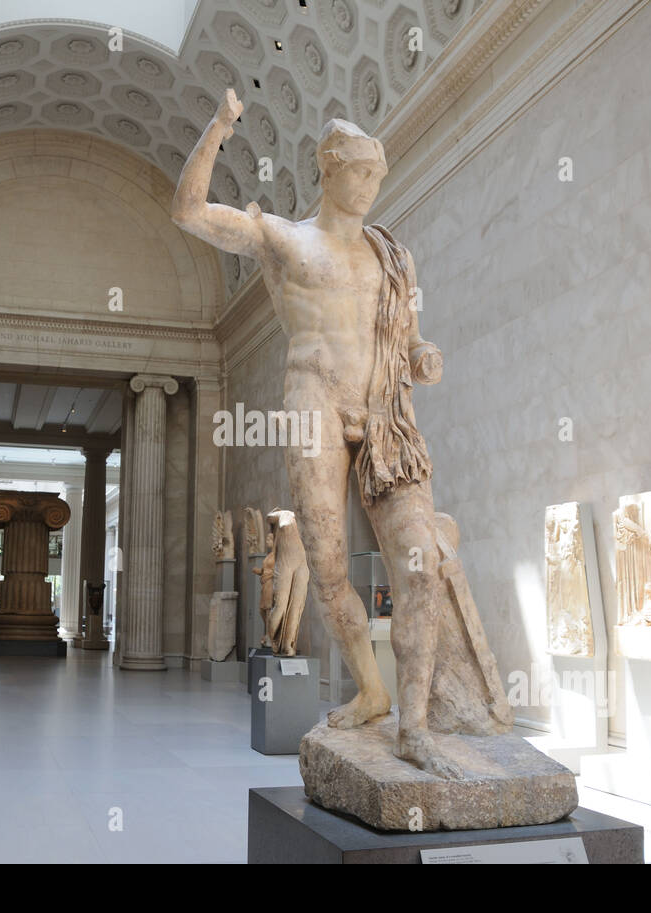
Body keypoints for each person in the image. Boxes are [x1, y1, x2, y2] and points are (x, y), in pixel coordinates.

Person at [171, 89, 511, 778]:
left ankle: (413, 724)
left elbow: (409, 337)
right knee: (326, 572)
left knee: (421, 563)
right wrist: (219, 127)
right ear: (329, 168)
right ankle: (371, 687)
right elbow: (189, 212)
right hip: (314, 406)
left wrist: (423, 356)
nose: (372, 188)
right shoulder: (287, 241)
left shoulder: (392, 257)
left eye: (379, 177)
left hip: (386, 419)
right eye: (362, 174)